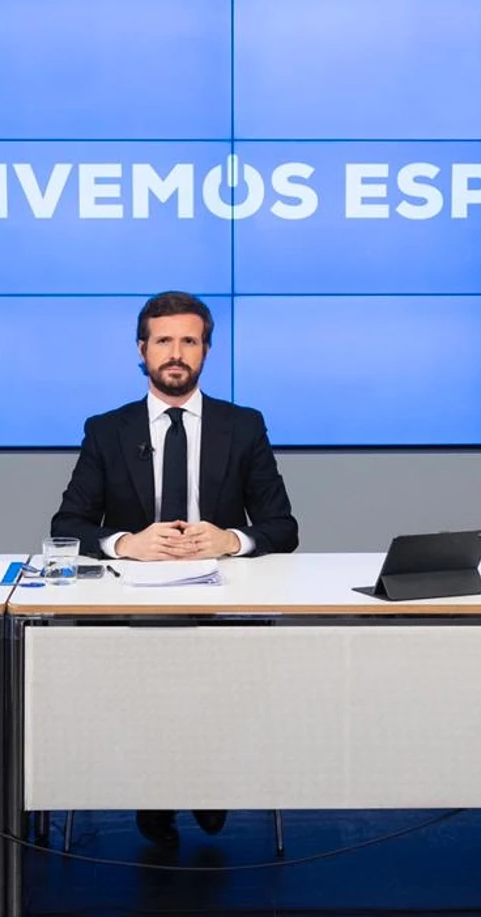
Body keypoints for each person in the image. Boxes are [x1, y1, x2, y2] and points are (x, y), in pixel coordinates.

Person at [51, 290, 298, 847]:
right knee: (152, 673)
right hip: (133, 614)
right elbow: (67, 526)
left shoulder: (244, 425)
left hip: (221, 608)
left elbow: (283, 527)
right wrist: (125, 543)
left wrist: (231, 538)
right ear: (142, 350)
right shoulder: (107, 430)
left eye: (189, 340)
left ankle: (204, 781)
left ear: (206, 351)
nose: (176, 352)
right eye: (164, 340)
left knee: (211, 670)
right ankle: (159, 790)